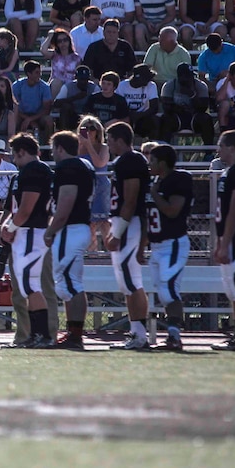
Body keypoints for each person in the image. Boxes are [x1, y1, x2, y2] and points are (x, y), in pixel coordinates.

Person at [0, 132, 56, 348]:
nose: (13, 159)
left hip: (31, 231)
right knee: (28, 286)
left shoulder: (32, 171)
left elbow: (26, 208)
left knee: (31, 285)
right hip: (32, 231)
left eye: (15, 154)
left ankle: (42, 334)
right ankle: (36, 334)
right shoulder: (39, 171)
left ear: (21, 152)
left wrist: (9, 227)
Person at [100, 122, 152, 350]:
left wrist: (117, 232)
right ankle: (136, 332)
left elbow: (130, 200)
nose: (108, 144)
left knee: (132, 282)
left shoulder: (130, 160)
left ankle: (140, 334)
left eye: (109, 139)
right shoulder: (126, 160)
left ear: (119, 140)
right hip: (125, 222)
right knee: (127, 283)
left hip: (129, 224)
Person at [44, 130, 96, 350]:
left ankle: (75, 335)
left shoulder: (68, 167)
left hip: (70, 228)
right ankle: (74, 332)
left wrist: (50, 230)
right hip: (78, 226)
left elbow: (66, 201)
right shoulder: (85, 165)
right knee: (72, 281)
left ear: (60, 148)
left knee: (68, 283)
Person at [139, 143, 191, 351]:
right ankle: (172, 335)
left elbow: (172, 211)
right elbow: (146, 218)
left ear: (162, 163)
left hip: (174, 243)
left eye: (151, 160)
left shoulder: (178, 179)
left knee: (169, 291)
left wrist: (155, 193)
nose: (148, 163)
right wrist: (143, 245)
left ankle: (175, 336)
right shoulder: (156, 182)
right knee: (163, 291)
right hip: (157, 246)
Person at [213, 130, 235, 351]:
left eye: (221, 145)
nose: (218, 149)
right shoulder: (228, 172)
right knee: (232, 289)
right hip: (228, 238)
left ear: (232, 147)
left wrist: (226, 240)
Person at [161, 62, 214, 146]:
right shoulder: (170, 85)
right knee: (166, 119)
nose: (189, 78)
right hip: (176, 117)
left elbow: (203, 108)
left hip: (194, 116)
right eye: (186, 76)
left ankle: (208, 152)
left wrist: (192, 95)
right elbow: (166, 107)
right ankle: (163, 149)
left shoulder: (201, 85)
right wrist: (178, 108)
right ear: (179, 76)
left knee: (206, 119)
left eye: (190, 75)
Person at [11, 61, 52, 139]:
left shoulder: (45, 87)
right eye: (37, 72)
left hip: (38, 116)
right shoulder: (17, 86)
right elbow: (13, 106)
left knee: (48, 120)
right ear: (29, 74)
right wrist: (26, 119)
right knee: (13, 119)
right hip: (21, 115)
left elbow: (46, 109)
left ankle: (47, 147)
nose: (40, 75)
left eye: (40, 72)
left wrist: (30, 119)